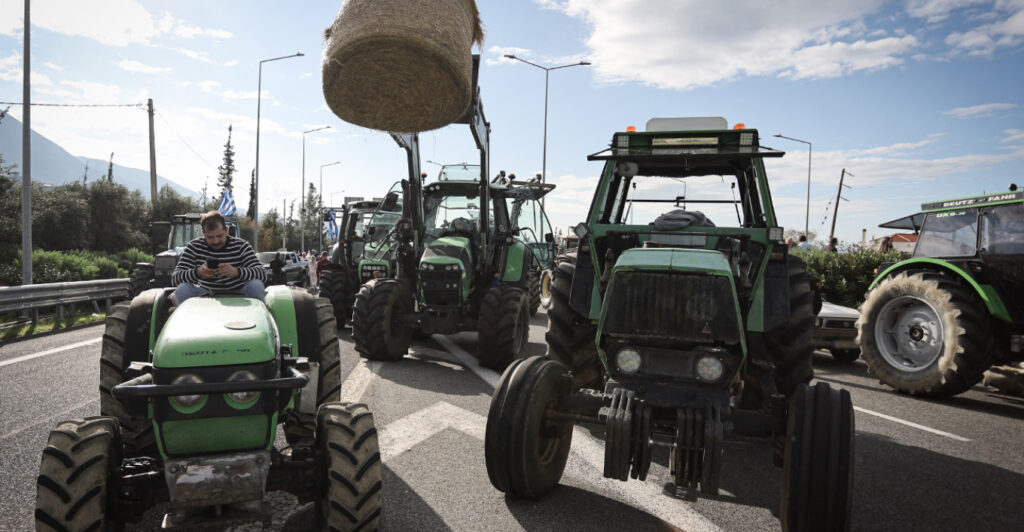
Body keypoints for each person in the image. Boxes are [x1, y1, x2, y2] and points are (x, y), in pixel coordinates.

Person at [172, 211, 267, 304]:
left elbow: (262, 274)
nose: (216, 241)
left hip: (239, 293)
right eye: (210, 237)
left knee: (256, 285)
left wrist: (236, 272)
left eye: (219, 236)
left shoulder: (241, 246)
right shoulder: (194, 247)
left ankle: (255, 316)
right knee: (182, 289)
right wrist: (199, 272)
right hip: (205, 294)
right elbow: (175, 278)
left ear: (226, 230)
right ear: (203, 233)